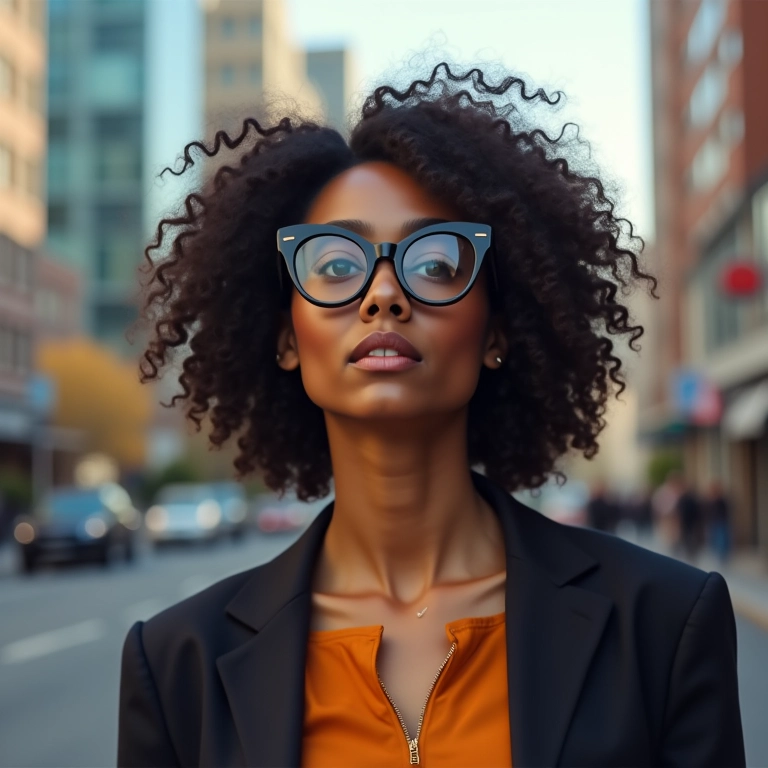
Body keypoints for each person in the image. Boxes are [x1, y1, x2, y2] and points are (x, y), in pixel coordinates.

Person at [117, 63, 745, 767]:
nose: (383, 294)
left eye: (438, 263)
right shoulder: (178, 664)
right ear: (287, 337)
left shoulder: (661, 623)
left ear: (498, 333)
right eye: (333, 263)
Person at [706, 480, 732, 564]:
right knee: (716, 540)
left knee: (722, 540)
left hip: (721, 522)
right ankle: (719, 555)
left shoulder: (721, 500)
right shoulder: (712, 500)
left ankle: (722, 556)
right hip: (715, 522)